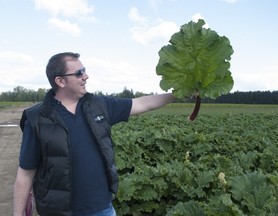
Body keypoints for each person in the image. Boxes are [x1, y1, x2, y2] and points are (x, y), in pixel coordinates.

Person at [13, 52, 175, 216]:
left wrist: (177, 94)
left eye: (84, 70)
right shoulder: (37, 118)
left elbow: (142, 103)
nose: (86, 76)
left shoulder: (99, 105)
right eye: (79, 73)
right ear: (60, 81)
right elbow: (25, 173)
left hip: (102, 209)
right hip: (59, 212)